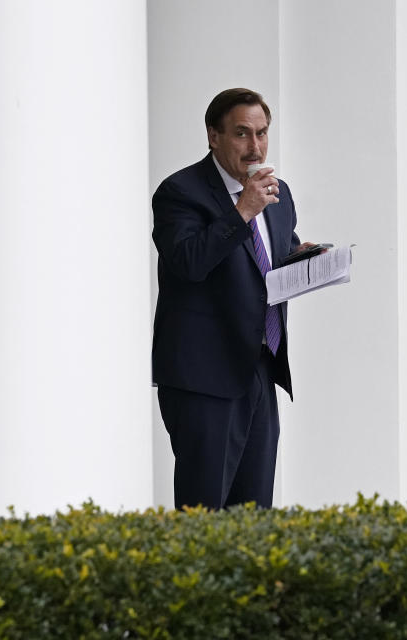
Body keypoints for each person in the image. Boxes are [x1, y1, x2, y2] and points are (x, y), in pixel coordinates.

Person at [151, 88, 310, 509]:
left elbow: (271, 262)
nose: (255, 147)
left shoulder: (278, 193)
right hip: (204, 378)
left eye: (262, 133)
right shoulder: (180, 192)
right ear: (213, 135)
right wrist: (242, 209)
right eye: (242, 133)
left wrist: (306, 259)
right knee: (204, 510)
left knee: (254, 512)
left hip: (260, 367)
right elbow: (188, 262)